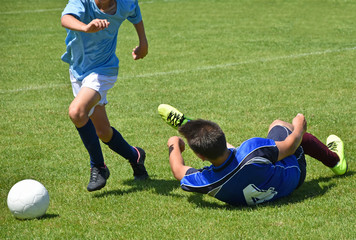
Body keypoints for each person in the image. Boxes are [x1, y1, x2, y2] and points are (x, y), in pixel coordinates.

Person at [158, 104, 347, 206]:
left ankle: (186, 125)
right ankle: (336, 161)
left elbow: (178, 170)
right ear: (222, 134)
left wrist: (173, 142)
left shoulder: (206, 181)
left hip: (249, 184)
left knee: (238, 160)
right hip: (292, 177)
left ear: (200, 156)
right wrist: (298, 125)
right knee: (279, 126)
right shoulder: (252, 149)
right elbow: (290, 146)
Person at [60, 0, 149, 192]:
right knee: (103, 132)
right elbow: (65, 18)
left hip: (104, 69)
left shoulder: (124, 4)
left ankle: (99, 166)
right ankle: (135, 156)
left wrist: (143, 42)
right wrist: (86, 27)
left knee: (77, 112)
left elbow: (135, 12)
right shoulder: (82, 2)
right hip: (78, 70)